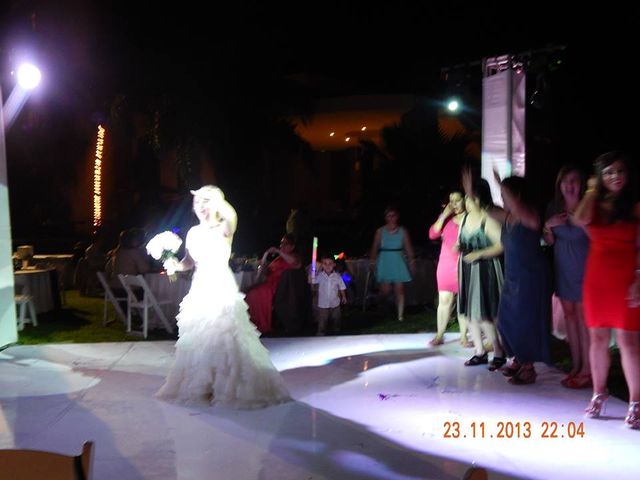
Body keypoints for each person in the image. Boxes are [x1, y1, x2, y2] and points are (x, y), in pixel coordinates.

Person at [156, 185, 290, 408]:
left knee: (225, 335)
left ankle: (228, 386)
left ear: (216, 204)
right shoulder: (193, 233)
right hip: (200, 287)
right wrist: (173, 264)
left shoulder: (224, 226)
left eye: (205, 202)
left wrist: (214, 196)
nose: (200, 207)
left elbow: (231, 214)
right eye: (197, 203)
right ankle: (203, 385)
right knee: (201, 337)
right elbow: (189, 262)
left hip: (220, 284)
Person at [574, 151, 640, 429]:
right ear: (600, 176)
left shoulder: (635, 205)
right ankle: (599, 392)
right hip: (597, 280)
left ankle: (636, 402)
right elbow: (579, 220)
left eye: (620, 171)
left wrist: (638, 279)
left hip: (627, 278)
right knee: (598, 339)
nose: (616, 176)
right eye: (609, 172)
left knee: (628, 342)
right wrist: (590, 190)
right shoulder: (594, 204)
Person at [491, 172, 552, 385]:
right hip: (514, 276)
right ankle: (518, 357)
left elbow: (521, 210)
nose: (502, 197)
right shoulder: (508, 217)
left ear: (516, 194)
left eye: (505, 193)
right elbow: (487, 210)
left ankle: (528, 367)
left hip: (531, 276)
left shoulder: (530, 214)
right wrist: (471, 192)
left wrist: (501, 182)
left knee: (525, 321)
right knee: (506, 319)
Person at [543, 165, 591, 388]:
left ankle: (588, 369)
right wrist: (548, 226)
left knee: (583, 320)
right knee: (570, 317)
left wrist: (581, 221)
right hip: (562, 269)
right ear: (559, 185)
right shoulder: (554, 207)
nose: (570, 185)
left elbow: (597, 237)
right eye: (565, 181)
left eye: (574, 180)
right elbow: (550, 241)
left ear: (581, 184)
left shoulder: (588, 206)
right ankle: (576, 364)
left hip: (585, 270)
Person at [459, 171, 505, 369]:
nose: (466, 201)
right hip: (467, 269)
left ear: (477, 198)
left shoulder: (489, 218)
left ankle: (498, 352)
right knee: (470, 313)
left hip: (485, 270)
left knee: (486, 313)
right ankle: (479, 351)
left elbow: (501, 246)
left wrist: (479, 254)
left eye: (469, 197)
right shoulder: (464, 219)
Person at [428, 190, 470, 346]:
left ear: (464, 200)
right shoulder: (447, 221)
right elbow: (432, 234)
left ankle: (464, 336)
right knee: (444, 301)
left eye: (457, 200)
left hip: (464, 264)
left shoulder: (470, 219)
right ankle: (440, 335)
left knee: (463, 302)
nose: (453, 204)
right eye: (451, 201)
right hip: (446, 264)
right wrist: (444, 215)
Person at [245, 233, 302, 333]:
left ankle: (261, 324)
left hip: (281, 287)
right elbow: (267, 272)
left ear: (292, 247)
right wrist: (265, 257)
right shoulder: (278, 259)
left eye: (286, 243)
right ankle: (253, 323)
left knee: (256, 293)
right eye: (281, 243)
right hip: (268, 283)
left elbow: (295, 263)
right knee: (249, 291)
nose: (282, 246)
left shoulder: (294, 257)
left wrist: (278, 251)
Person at [369, 206, 415, 321]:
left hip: (398, 260)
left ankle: (400, 315)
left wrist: (412, 261)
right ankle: (382, 308)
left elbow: (408, 248)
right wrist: (372, 261)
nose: (391, 218)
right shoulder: (380, 231)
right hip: (384, 260)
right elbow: (374, 248)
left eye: (393, 215)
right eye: (388, 216)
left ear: (397, 217)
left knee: (399, 289)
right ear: (385, 218)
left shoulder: (403, 231)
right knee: (385, 290)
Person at [310, 253, 347, 336]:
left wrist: (344, 297)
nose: (327, 266)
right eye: (325, 264)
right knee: (322, 319)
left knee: (336, 318)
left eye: (330, 263)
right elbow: (313, 281)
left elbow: (341, 287)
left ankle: (336, 330)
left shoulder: (337, 276)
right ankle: (321, 332)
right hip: (323, 304)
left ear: (334, 265)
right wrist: (313, 272)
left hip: (335, 303)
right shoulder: (320, 276)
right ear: (322, 265)